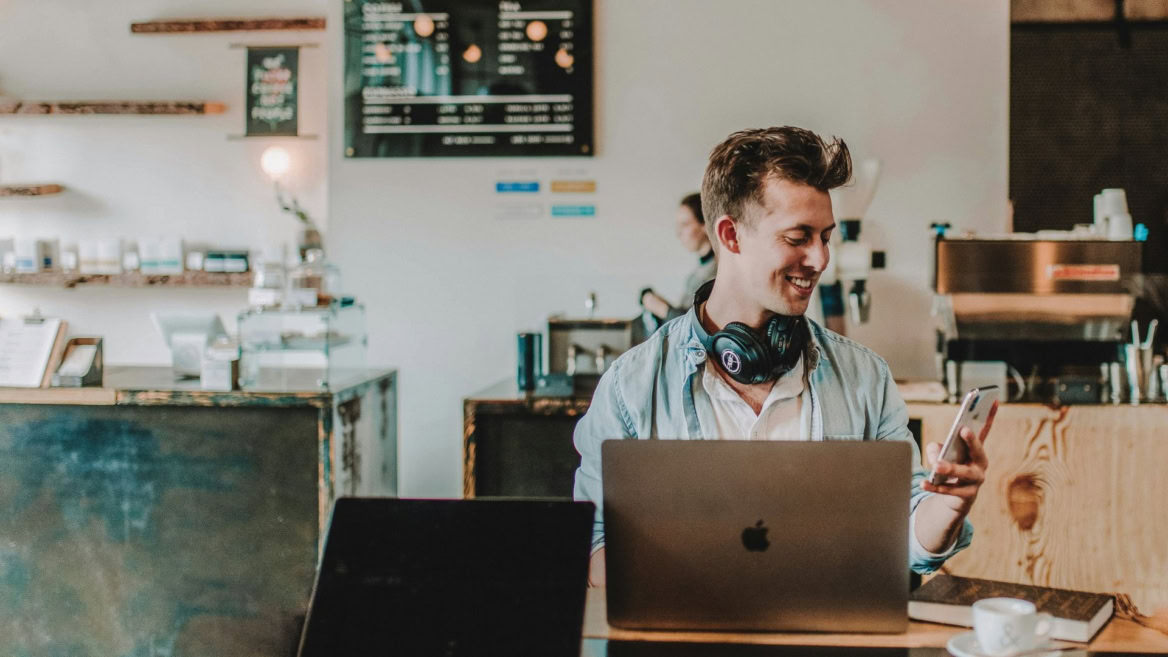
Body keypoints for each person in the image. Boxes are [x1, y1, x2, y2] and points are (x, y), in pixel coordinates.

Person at [573, 126, 996, 587]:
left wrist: (948, 506)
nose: (820, 259)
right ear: (731, 236)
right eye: (798, 237)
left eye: (826, 237)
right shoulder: (628, 388)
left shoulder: (865, 377)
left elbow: (906, 538)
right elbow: (593, 546)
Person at [640, 193, 718, 326]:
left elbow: (696, 326)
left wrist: (661, 309)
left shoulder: (718, 271)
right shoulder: (700, 269)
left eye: (685, 224)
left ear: (705, 225)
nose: (678, 232)